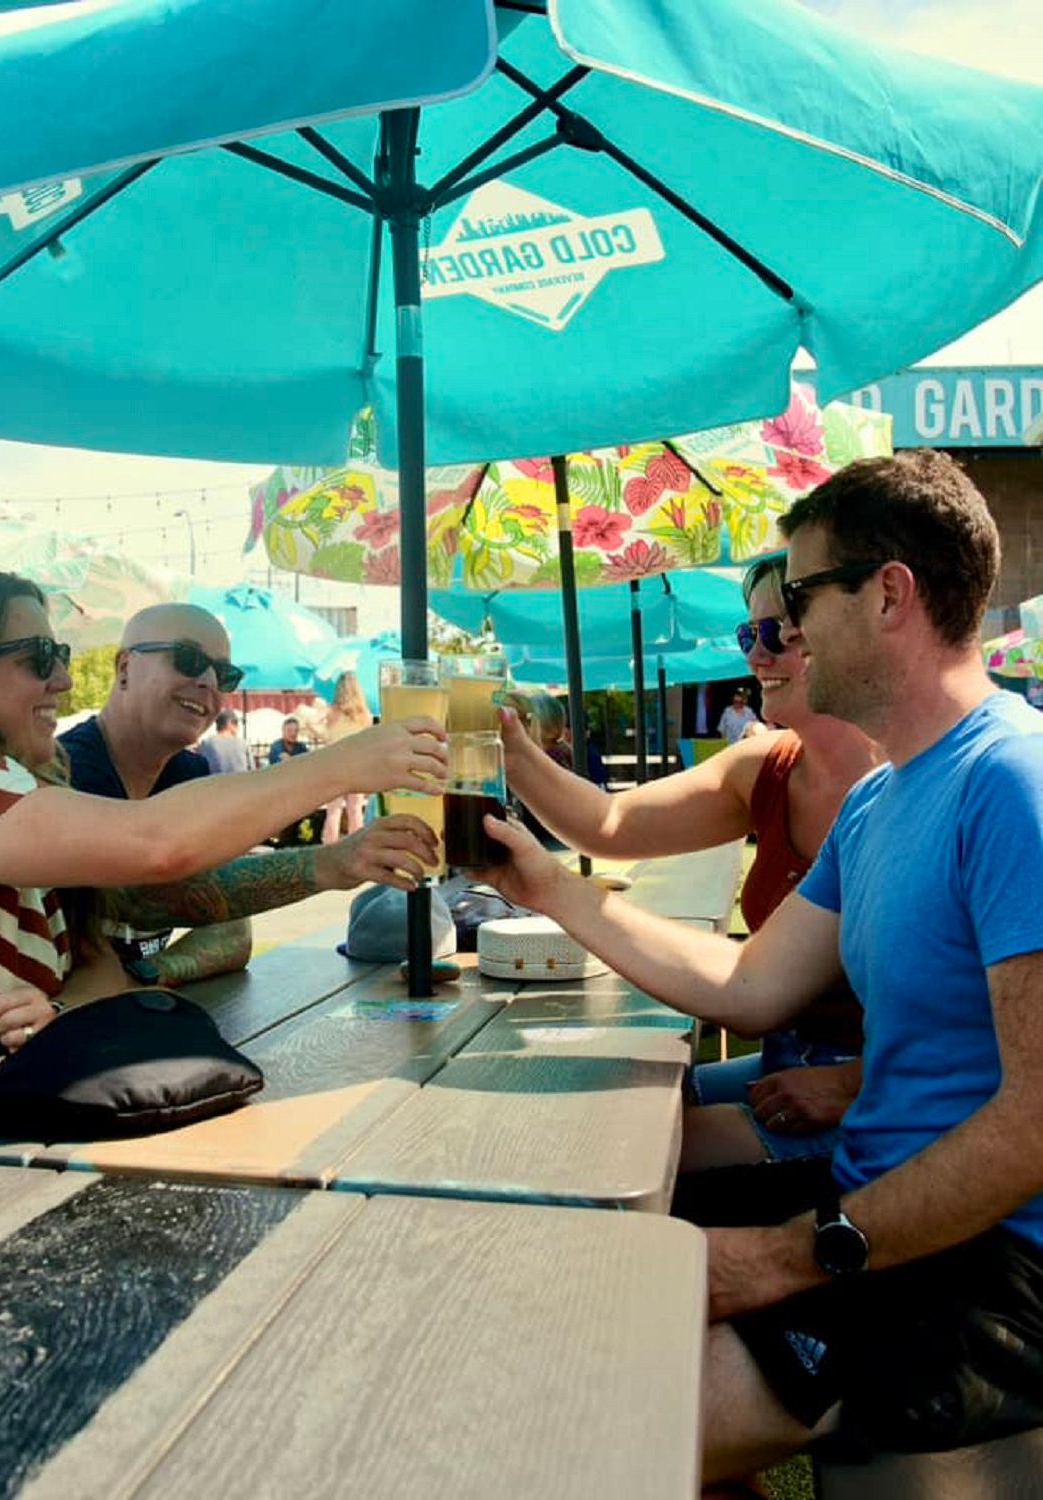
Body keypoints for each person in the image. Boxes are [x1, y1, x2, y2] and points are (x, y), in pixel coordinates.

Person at [478, 452, 1043, 1485]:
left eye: (802, 596)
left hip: (989, 1265)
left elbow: (1039, 1125)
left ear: (888, 596)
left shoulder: (1012, 782)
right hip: (873, 1211)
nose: (786, 632)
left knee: (559, 1424)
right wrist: (550, 889)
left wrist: (781, 1257)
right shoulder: (882, 800)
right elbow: (748, 987)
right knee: (547, 1292)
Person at [0, 573, 445, 1107]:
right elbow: (158, 847)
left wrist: (52, 1011)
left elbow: (102, 955)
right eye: (39, 658)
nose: (63, 678)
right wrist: (342, 765)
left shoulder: (23, 788)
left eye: (61, 654)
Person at [502, 556, 881, 1170]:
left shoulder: (913, 785)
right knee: (601, 1106)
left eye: (775, 633)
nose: (755, 656)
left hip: (885, 1098)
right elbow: (610, 823)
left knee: (614, 1152)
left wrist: (853, 1082)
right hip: (790, 1063)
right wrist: (511, 751)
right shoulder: (767, 768)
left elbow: (988, 1025)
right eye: (747, 634)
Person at [61, 604, 439, 988]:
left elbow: (230, 930)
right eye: (188, 659)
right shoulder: (68, 771)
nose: (209, 681)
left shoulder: (187, 773)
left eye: (224, 674)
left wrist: (142, 977)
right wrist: (335, 854)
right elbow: (140, 891)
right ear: (125, 668)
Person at [321, 672, 373, 845]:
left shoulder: (332, 712)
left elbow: (313, 724)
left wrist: (326, 738)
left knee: (333, 811)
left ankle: (329, 848)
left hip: (334, 764)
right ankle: (356, 847)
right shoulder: (364, 714)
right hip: (357, 765)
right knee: (355, 809)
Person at [199, 708, 253, 774]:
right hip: (242, 780)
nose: (238, 727)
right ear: (229, 723)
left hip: (216, 780)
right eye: (236, 723)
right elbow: (252, 771)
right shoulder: (244, 743)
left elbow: (202, 769)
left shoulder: (207, 743)